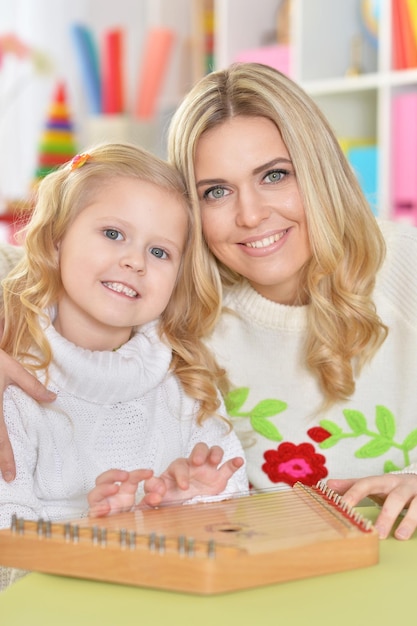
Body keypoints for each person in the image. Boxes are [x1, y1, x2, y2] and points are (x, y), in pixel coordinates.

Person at [1, 63, 417, 541]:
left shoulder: (404, 266)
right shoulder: (179, 304)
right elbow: (31, 259)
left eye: (275, 175)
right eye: (216, 192)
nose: (251, 214)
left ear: (320, 171)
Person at [0, 142, 247, 591]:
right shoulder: (13, 383)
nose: (135, 261)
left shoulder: (185, 380)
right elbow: (6, 545)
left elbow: (231, 493)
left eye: (160, 252)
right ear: (57, 242)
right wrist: (94, 532)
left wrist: (188, 501)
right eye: (113, 233)